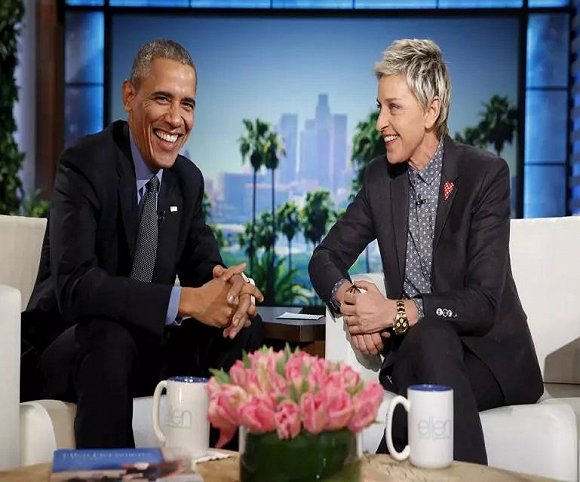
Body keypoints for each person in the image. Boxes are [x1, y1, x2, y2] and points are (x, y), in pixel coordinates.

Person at [308, 38, 543, 464]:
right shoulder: (380, 180)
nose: (380, 122)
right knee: (429, 348)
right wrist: (354, 301)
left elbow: (483, 302)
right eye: (379, 107)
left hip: (489, 359)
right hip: (417, 354)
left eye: (393, 108)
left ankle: (371, 465)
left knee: (427, 357)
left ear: (431, 112)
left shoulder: (485, 175)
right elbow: (324, 258)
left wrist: (396, 312)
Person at [21, 39, 264, 449]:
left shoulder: (186, 180)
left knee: (241, 329)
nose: (176, 119)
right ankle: (115, 475)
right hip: (71, 346)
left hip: (144, 349)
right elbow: (76, 286)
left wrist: (230, 291)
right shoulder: (85, 164)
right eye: (162, 99)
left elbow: (204, 265)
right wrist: (185, 301)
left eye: (187, 104)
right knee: (110, 337)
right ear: (129, 96)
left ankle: (219, 467)